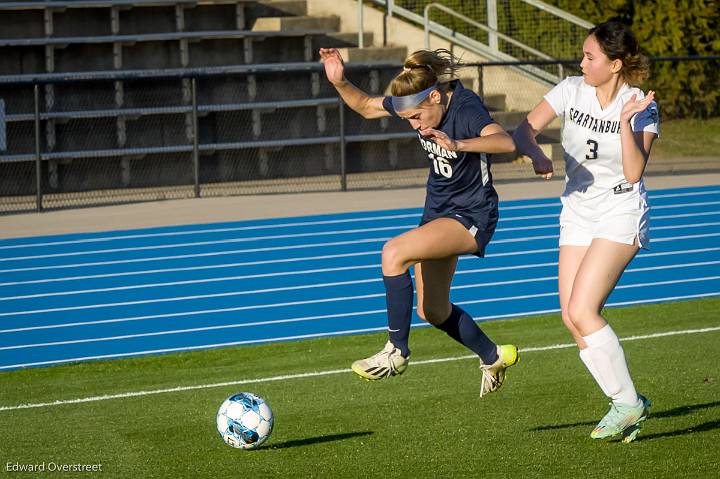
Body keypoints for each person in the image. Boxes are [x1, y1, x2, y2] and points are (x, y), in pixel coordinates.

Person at [319, 47, 519, 397]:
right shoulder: (419, 103)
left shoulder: (465, 107)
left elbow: (505, 142)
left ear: (436, 96)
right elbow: (366, 106)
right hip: (438, 213)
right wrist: (339, 81)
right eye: (408, 119)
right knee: (433, 310)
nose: (414, 125)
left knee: (393, 252)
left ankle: (397, 350)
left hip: (473, 214)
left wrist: (457, 143)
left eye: (416, 117)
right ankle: (493, 355)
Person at [512, 20, 659, 441]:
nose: (582, 62)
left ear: (615, 65)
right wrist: (536, 154)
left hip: (620, 208)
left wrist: (627, 124)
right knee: (570, 318)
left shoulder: (640, 104)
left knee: (583, 310)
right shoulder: (570, 89)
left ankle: (627, 403)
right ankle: (626, 402)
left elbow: (633, 172)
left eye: (590, 57)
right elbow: (526, 127)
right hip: (576, 210)